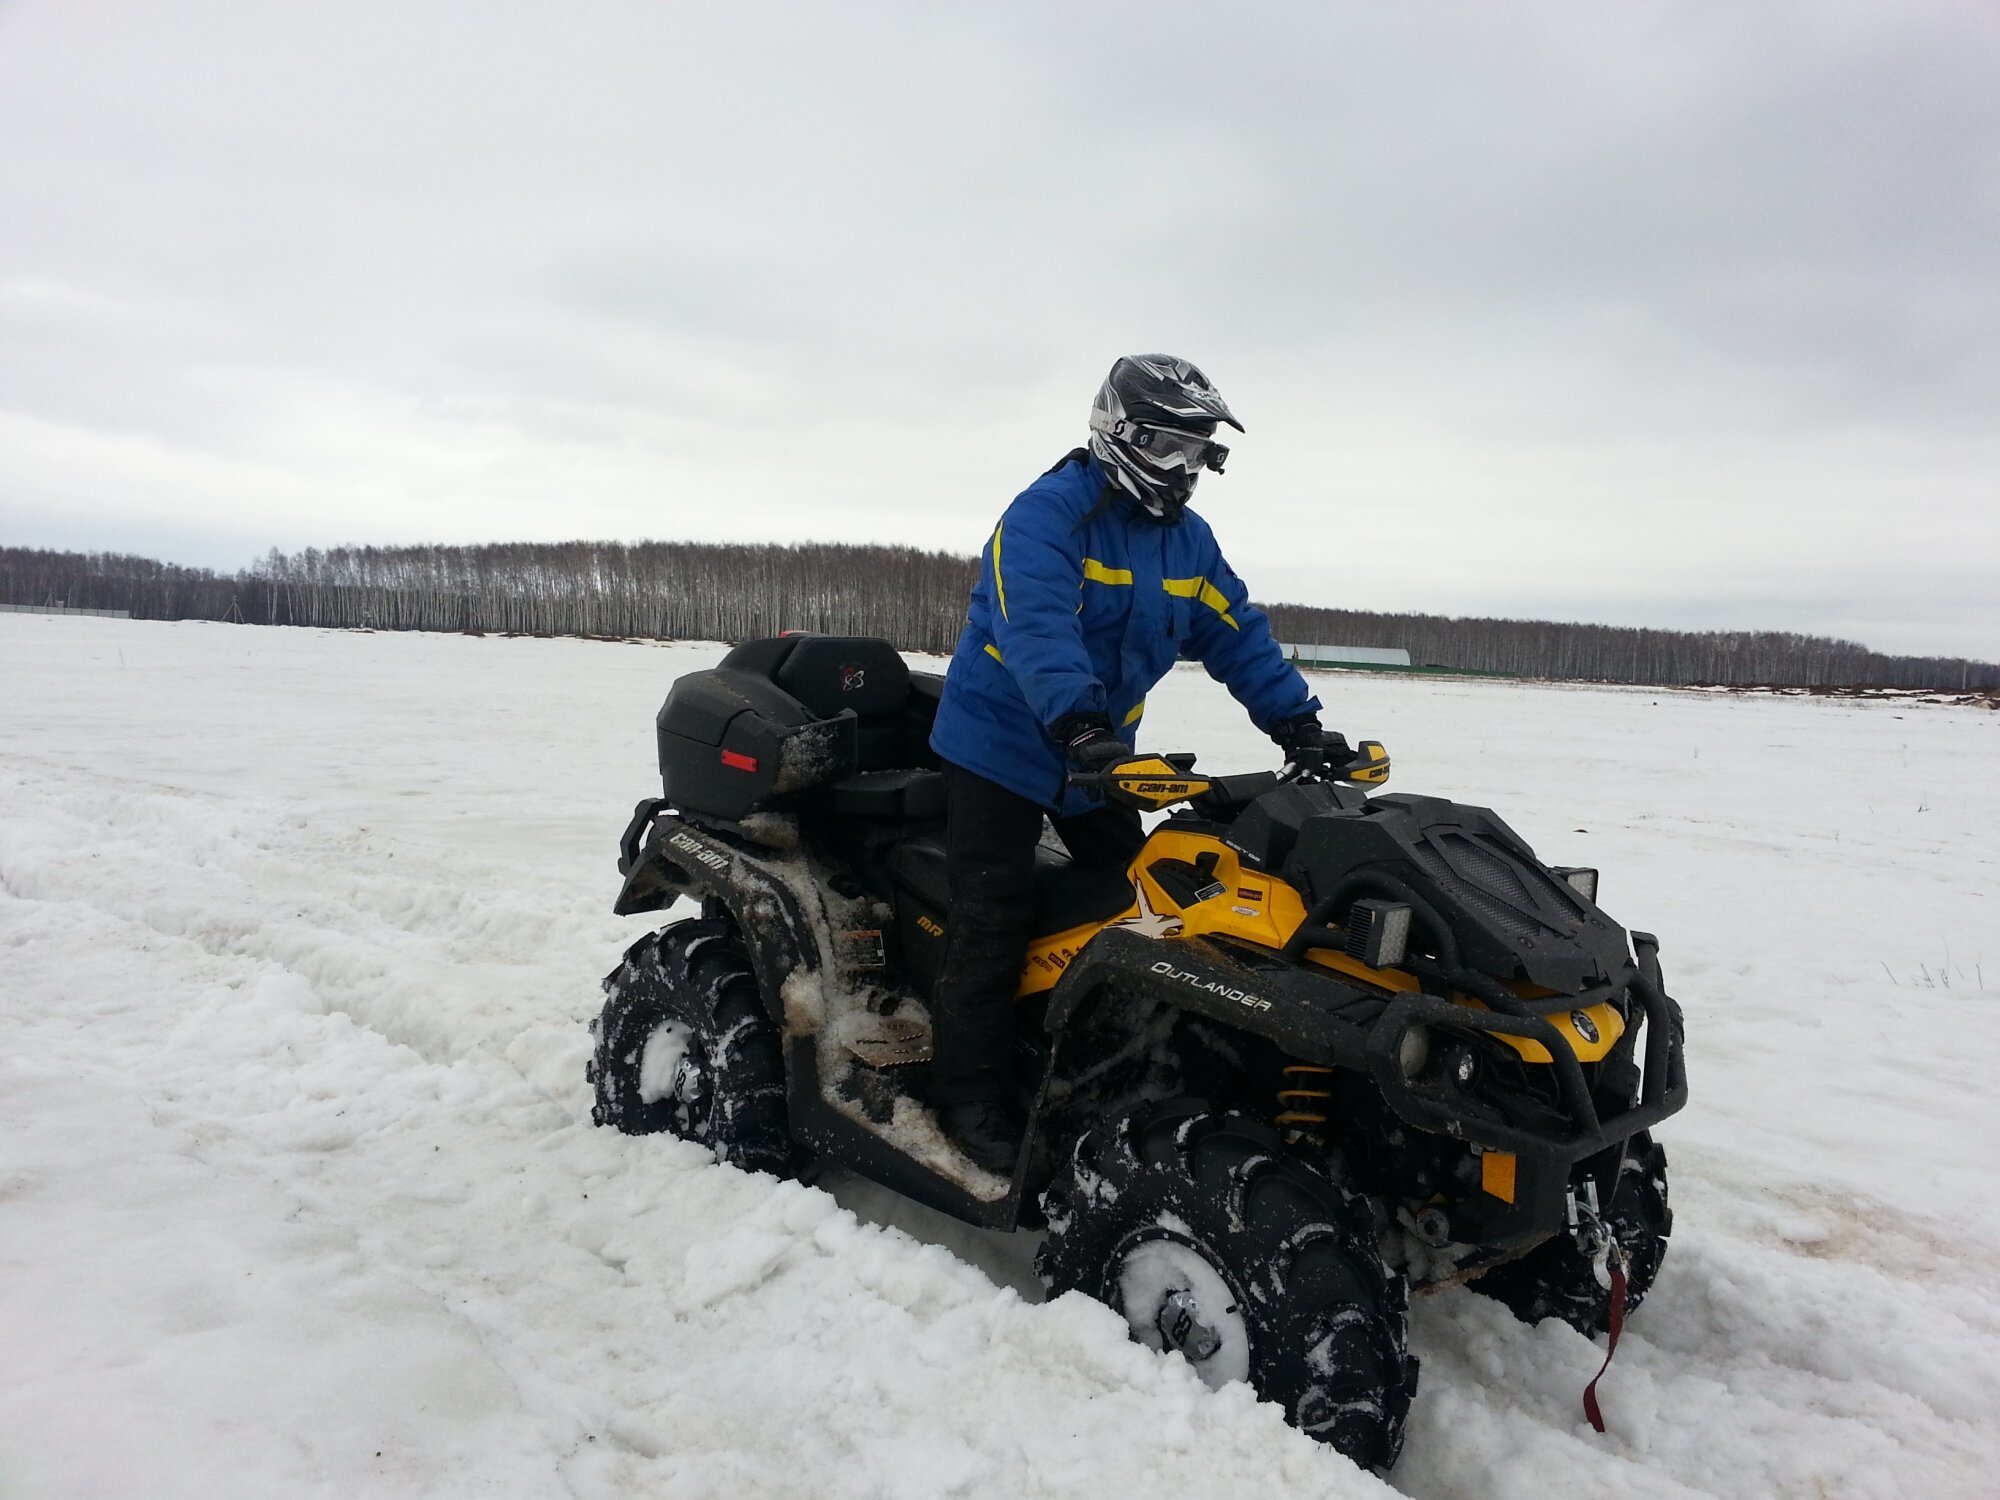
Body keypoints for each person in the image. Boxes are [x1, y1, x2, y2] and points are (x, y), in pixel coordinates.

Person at [926, 354, 1353, 1171]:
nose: (1184, 471)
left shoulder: (1188, 542)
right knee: (992, 916)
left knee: (1146, 904)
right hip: (1002, 745)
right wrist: (1083, 726)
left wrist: (1298, 723)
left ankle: (1111, 1052)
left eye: (1199, 454)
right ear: (1118, 432)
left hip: (1097, 761)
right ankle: (968, 1095)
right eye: (1169, 447)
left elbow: (1238, 632)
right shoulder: (1046, 517)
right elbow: (1036, 629)